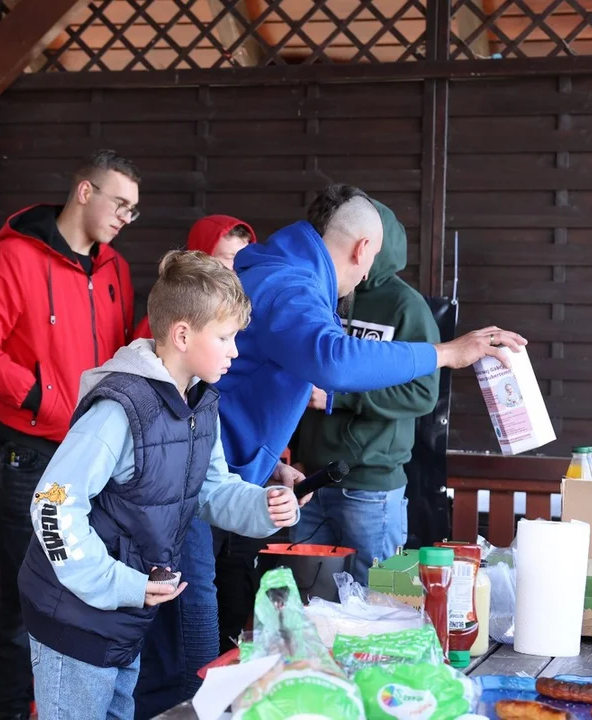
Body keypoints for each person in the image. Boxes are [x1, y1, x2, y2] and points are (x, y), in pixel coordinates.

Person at [203, 183, 527, 654]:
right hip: (206, 478)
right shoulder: (290, 285)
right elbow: (333, 359)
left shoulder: (281, 272)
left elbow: (243, 384)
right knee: (196, 626)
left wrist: (270, 462)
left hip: (258, 474)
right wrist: (447, 352)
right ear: (364, 249)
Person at [16, 250, 300, 720]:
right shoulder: (120, 409)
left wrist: (263, 507)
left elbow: (212, 490)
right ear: (182, 334)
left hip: (124, 616)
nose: (235, 351)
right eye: (226, 337)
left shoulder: (200, 405)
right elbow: (51, 504)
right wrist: (119, 583)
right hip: (74, 613)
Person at [0, 150, 139, 720]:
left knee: (83, 600)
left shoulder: (117, 271)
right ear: (85, 191)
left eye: (133, 210)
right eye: (119, 203)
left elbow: (122, 351)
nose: (126, 217)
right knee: (22, 607)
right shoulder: (14, 258)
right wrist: (42, 398)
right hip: (29, 454)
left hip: (94, 460)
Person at [130, 214, 256, 707]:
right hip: (151, 532)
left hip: (207, 499)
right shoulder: (140, 374)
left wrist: (264, 499)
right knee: (179, 637)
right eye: (224, 260)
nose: (234, 272)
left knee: (203, 624)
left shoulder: (210, 376)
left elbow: (215, 475)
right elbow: (59, 503)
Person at [289, 199, 441, 585]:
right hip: (309, 478)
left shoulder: (407, 306)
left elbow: (422, 394)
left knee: (375, 603)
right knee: (310, 603)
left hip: (372, 484)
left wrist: (340, 398)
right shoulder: (321, 292)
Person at [133, 215, 255, 340]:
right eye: (229, 257)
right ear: (203, 256)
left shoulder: (249, 304)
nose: (239, 265)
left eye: (245, 258)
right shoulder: (171, 309)